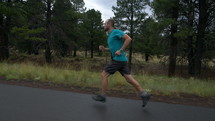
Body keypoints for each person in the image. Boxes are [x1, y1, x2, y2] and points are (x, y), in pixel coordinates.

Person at [92, 19, 151, 107]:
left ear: (109, 24)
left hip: (118, 59)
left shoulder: (116, 31)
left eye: (104, 24)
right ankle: (144, 94)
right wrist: (105, 49)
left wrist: (121, 50)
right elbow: (113, 48)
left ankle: (102, 96)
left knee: (104, 75)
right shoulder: (110, 35)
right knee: (129, 79)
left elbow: (128, 39)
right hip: (122, 60)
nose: (103, 26)